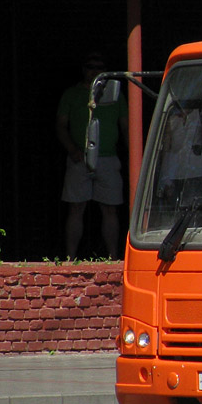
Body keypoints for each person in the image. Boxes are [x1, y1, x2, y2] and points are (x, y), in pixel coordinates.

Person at [55, 52, 127, 259]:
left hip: (108, 157)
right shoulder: (71, 94)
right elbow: (60, 126)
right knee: (76, 208)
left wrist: (131, 155)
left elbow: (126, 126)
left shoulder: (115, 94)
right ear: (83, 70)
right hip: (79, 158)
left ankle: (113, 258)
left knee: (110, 209)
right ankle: (70, 258)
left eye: (100, 67)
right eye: (90, 66)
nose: (95, 71)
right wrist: (72, 149)